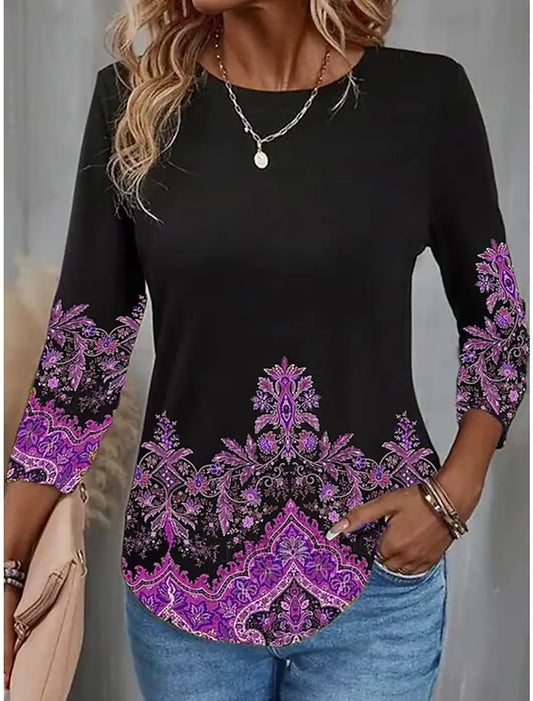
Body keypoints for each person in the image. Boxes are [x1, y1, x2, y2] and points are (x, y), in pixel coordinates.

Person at [4, 1, 529, 699]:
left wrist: (453, 493)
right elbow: (81, 361)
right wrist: (8, 569)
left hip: (374, 585)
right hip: (181, 587)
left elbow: (497, 322)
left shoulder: (424, 100)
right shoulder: (134, 103)